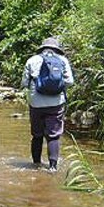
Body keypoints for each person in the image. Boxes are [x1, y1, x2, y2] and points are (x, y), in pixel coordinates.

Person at [22, 36, 74, 172]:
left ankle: (36, 164)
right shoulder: (63, 61)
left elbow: (24, 83)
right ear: (57, 49)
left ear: (42, 48)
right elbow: (70, 82)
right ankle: (53, 167)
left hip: (36, 103)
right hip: (56, 102)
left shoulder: (32, 60)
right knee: (53, 135)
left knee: (37, 134)